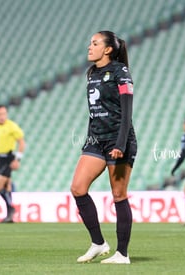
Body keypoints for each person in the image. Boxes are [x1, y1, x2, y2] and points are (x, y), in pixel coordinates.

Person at [70, 31, 137, 264]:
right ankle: (98, 243)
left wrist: (121, 142)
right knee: (78, 188)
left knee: (118, 194)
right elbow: (93, 112)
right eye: (90, 42)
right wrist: (89, 140)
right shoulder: (92, 74)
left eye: (95, 43)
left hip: (119, 139)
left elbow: (127, 110)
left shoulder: (121, 72)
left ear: (108, 49)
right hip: (96, 140)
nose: (89, 47)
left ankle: (122, 254)